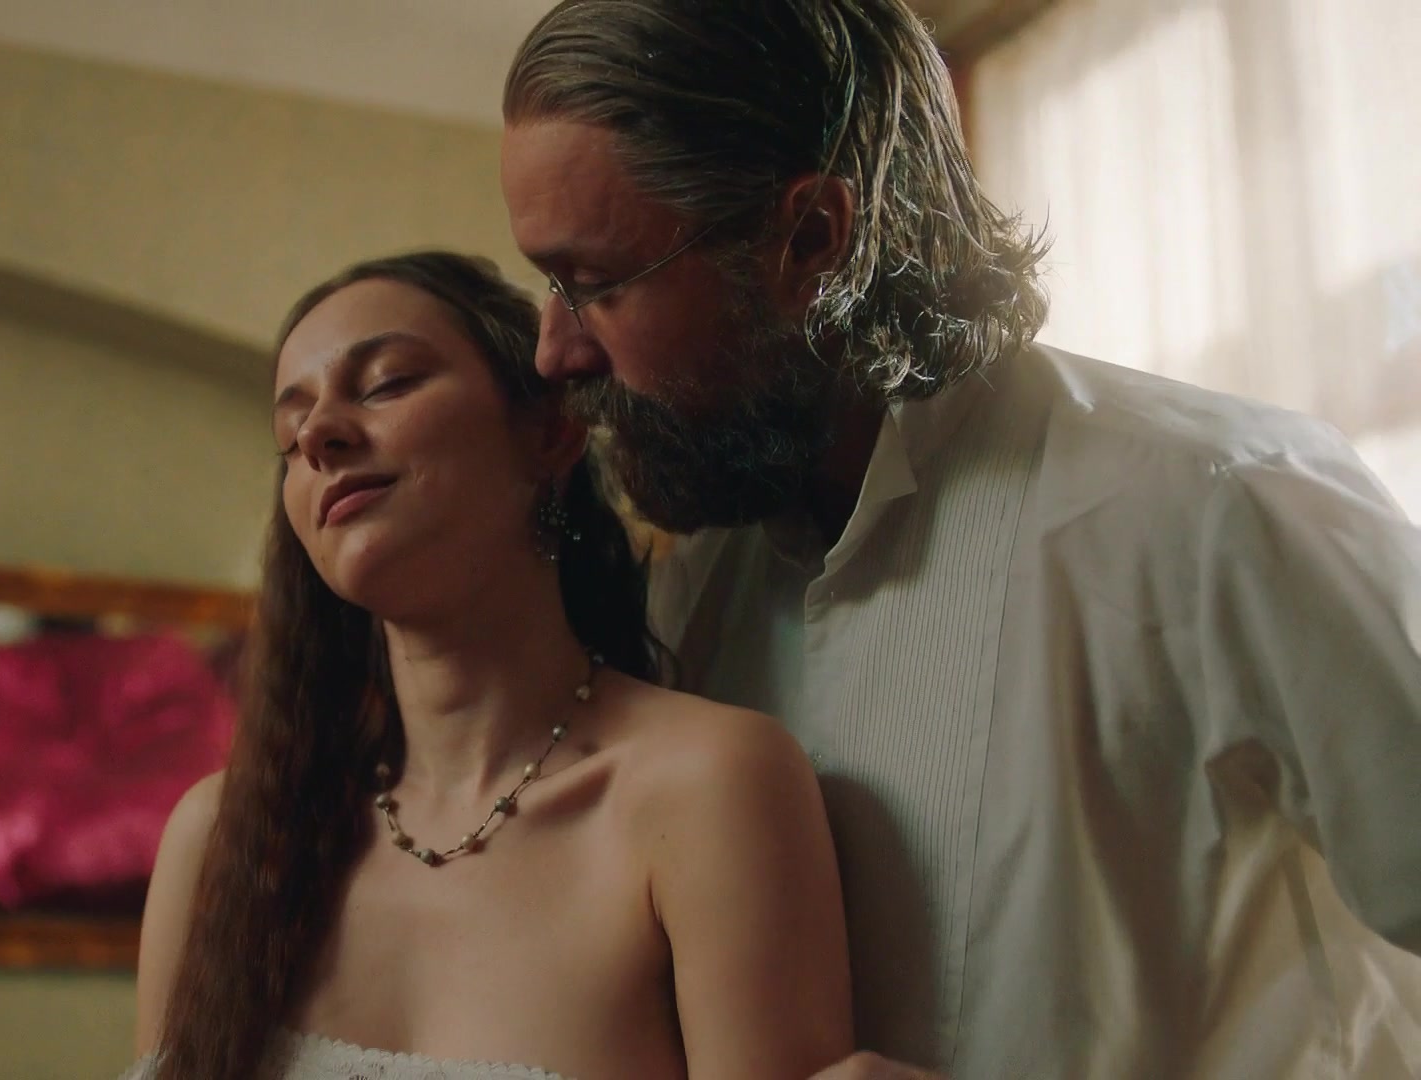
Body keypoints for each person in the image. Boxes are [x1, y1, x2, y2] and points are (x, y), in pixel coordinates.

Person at [496, 2, 1421, 1078]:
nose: (555, 352)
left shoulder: (1224, 507)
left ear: (812, 237)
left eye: (597, 285)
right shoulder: (697, 593)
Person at [124, 252, 853, 1080]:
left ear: (550, 430)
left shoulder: (706, 788)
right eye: (290, 437)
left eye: (387, 383)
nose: (320, 435)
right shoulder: (224, 840)